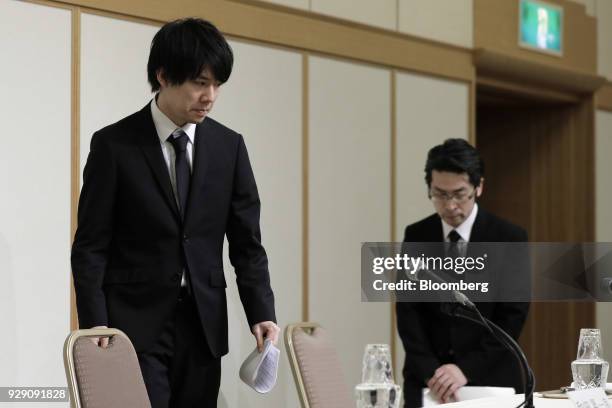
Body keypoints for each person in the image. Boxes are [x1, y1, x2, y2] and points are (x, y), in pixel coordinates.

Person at [71, 17, 279, 408]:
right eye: (200, 83)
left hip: (203, 325)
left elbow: (247, 244)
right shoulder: (114, 145)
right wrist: (95, 322)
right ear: (163, 76)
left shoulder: (229, 147)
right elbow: (90, 245)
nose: (211, 96)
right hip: (134, 326)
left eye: (217, 84)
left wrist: (261, 312)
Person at [396, 138, 530, 407]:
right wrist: (433, 371)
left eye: (459, 194)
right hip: (426, 382)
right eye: (439, 194)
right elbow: (408, 310)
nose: (450, 205)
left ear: (478, 187)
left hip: (490, 379)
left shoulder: (508, 237)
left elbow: (511, 317)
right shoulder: (417, 235)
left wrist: (463, 370)